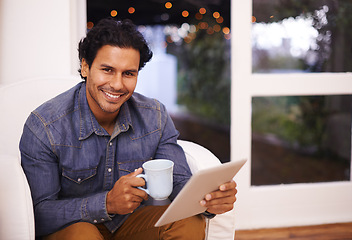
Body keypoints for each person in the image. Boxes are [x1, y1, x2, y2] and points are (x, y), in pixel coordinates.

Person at [20, 17, 237, 240]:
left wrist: (208, 201)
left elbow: (179, 182)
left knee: (187, 221)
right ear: (85, 67)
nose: (117, 84)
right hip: (73, 229)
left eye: (128, 73)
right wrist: (106, 203)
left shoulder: (155, 116)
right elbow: (39, 214)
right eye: (107, 70)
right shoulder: (45, 126)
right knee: (82, 235)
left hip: (131, 225)